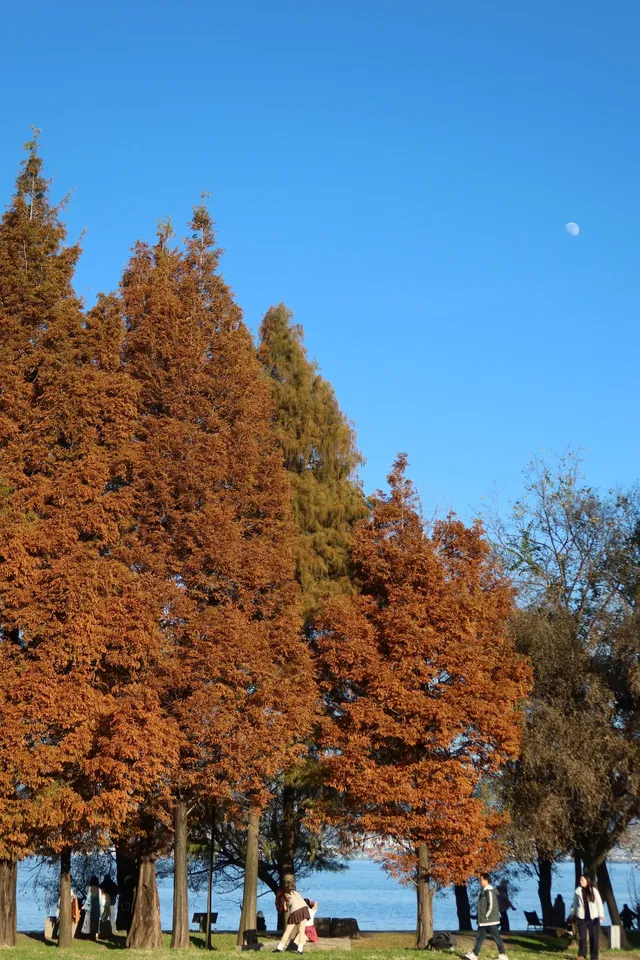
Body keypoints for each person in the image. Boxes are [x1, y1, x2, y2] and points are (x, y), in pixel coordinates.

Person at [464, 873, 509, 960]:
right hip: (484, 921)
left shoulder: (489, 892)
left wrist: (486, 916)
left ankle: (503, 955)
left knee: (496, 937)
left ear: (486, 880)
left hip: (490, 920)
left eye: (481, 880)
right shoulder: (483, 891)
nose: (480, 882)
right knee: (479, 938)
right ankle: (475, 954)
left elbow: (491, 906)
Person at [570, 875, 604, 960]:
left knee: (594, 938)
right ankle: (582, 955)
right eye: (580, 880)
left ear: (587, 880)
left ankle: (594, 956)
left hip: (594, 917)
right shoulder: (578, 891)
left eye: (582, 880)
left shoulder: (594, 891)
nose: (581, 881)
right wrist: (572, 914)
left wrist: (601, 915)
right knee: (582, 937)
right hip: (582, 917)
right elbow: (574, 903)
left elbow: (599, 903)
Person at [274, 886, 310, 954]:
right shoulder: (295, 892)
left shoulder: (284, 896)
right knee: (302, 931)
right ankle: (300, 950)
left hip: (295, 911)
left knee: (287, 931)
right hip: (305, 909)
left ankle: (279, 948)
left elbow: (285, 909)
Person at [81, 876, 105, 941]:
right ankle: (93, 936)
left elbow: (88, 898)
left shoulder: (90, 888)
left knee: (88, 921)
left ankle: (87, 936)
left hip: (90, 908)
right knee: (95, 922)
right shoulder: (99, 890)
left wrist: (84, 905)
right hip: (97, 908)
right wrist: (101, 907)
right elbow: (100, 900)